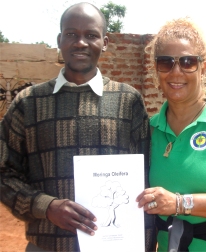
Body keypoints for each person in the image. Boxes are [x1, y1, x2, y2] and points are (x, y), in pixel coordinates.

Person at [0, 2, 155, 252]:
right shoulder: (28, 103)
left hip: (116, 246)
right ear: (60, 40)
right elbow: (4, 172)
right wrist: (46, 207)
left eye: (91, 35)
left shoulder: (128, 101)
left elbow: (145, 178)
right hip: (48, 246)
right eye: (71, 34)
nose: (80, 42)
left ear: (104, 42)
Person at [136, 17, 206, 251]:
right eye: (166, 62)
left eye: (187, 61)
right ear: (157, 68)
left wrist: (179, 203)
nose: (176, 72)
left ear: (203, 66)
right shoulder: (152, 128)